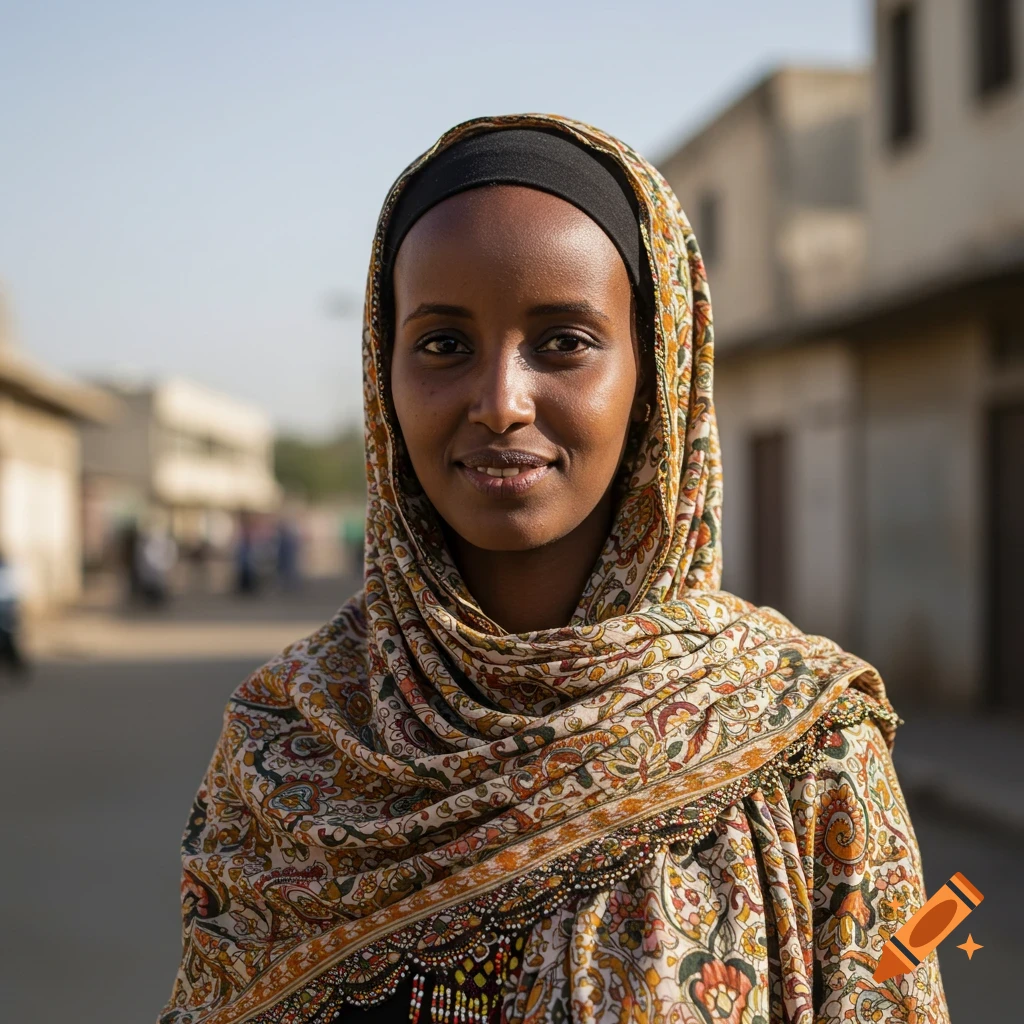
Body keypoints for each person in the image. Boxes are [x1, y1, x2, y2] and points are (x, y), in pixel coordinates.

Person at [160, 116, 949, 1024]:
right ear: (384, 375)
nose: (500, 401)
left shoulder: (807, 744)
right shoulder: (285, 740)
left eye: (564, 342)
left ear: (657, 374)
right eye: (443, 344)